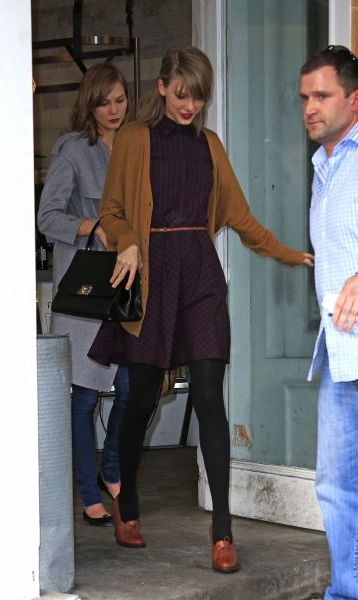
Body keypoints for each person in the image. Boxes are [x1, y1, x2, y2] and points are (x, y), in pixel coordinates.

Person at [89, 46, 313, 570]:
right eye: (181, 94)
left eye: (199, 97)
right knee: (142, 399)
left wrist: (290, 252)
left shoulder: (210, 145)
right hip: (152, 278)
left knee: (210, 398)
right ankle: (126, 498)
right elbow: (111, 212)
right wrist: (127, 240)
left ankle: (223, 531)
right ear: (163, 87)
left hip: (200, 279)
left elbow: (239, 215)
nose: (190, 105)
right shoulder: (134, 138)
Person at [37, 63, 132, 527]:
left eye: (120, 100)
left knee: (133, 385)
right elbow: (47, 217)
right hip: (86, 289)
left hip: (126, 285)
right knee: (85, 397)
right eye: (104, 102)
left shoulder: (135, 146)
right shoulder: (73, 150)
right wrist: (93, 225)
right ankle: (88, 491)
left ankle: (111, 464)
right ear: (89, 105)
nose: (114, 110)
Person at [299, 45, 358, 600]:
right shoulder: (323, 168)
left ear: (353, 100)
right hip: (341, 351)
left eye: (322, 95)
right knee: (335, 486)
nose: (310, 108)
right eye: (304, 98)